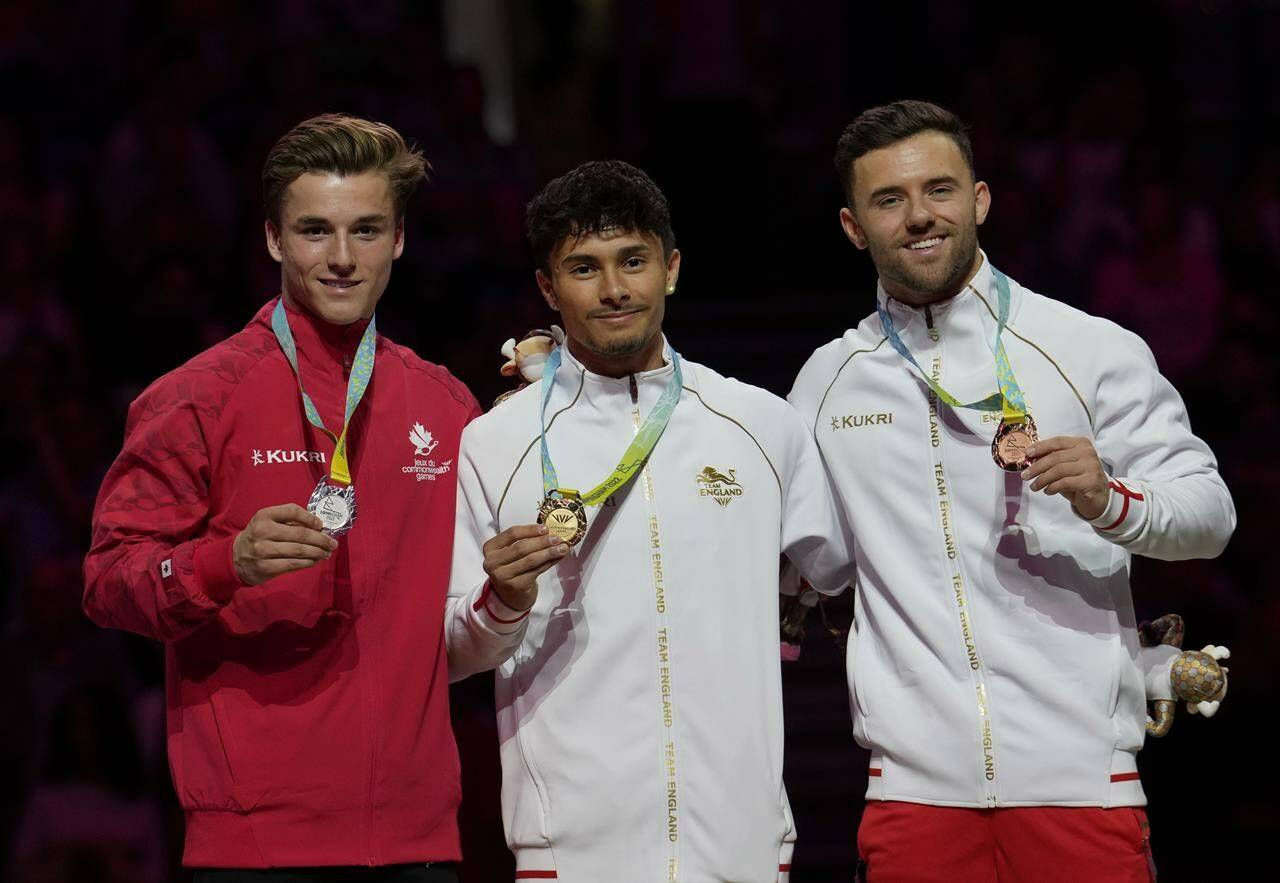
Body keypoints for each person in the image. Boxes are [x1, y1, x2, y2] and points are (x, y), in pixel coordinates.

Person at [787, 100, 1236, 881]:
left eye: (940, 190)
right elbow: (813, 563)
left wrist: (1110, 500)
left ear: (981, 199)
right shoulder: (827, 381)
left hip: (1081, 781)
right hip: (915, 795)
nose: (920, 216)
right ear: (854, 227)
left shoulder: (1087, 348)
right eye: (889, 200)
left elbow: (1210, 515)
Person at [83, 114, 486, 882]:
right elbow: (106, 582)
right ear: (272, 238)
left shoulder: (447, 406)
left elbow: (469, 611)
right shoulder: (196, 397)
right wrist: (222, 561)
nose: (341, 258)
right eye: (314, 231)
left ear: (399, 238)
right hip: (256, 850)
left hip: (418, 842)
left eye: (366, 230)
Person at [445, 160, 853, 882]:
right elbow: (450, 651)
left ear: (670, 268)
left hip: (743, 847)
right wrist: (499, 601)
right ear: (547, 287)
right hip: (566, 853)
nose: (613, 289)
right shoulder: (494, 443)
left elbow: (831, 573)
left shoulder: (762, 424)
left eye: (633, 261)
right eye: (583, 267)